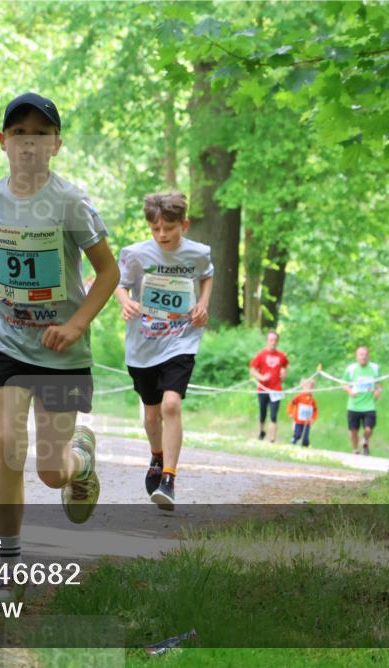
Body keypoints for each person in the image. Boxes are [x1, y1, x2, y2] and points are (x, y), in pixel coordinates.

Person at [0, 92, 118, 604]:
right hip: (7, 340)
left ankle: (81, 460)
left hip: (61, 350)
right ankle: (9, 563)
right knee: (6, 445)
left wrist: (79, 324)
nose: (29, 143)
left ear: (56, 144)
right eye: (19, 133)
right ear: (3, 141)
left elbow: (109, 271)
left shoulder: (71, 203)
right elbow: (1, 254)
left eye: (40, 134)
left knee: (49, 470)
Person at [115, 191, 213, 510]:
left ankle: (168, 478)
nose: (162, 235)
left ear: (184, 224)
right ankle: (157, 456)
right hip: (144, 343)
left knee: (171, 406)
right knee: (152, 412)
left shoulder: (197, 253)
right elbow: (119, 282)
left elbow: (207, 275)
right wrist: (125, 301)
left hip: (181, 339)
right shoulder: (136, 253)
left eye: (169, 229)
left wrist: (202, 305)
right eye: (155, 229)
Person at [342, 346, 381, 456]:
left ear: (368, 355)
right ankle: (355, 450)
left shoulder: (375, 368)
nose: (363, 357)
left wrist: (378, 390)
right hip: (354, 405)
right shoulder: (351, 369)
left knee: (368, 429)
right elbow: (343, 384)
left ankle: (365, 440)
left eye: (365, 354)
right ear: (357, 356)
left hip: (369, 405)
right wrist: (350, 391)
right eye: (361, 354)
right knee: (353, 430)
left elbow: (379, 383)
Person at [250, 331, 289, 442]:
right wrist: (261, 377)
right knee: (263, 413)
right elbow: (252, 370)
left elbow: (285, 367)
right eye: (271, 340)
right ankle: (261, 432)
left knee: (273, 414)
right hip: (263, 389)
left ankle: (272, 438)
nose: (273, 342)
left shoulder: (282, 356)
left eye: (275, 340)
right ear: (267, 341)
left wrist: (284, 374)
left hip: (276, 389)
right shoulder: (261, 355)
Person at [286, 378, 318, 447]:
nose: (308, 389)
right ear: (302, 387)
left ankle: (306, 447)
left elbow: (315, 410)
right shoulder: (299, 397)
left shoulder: (312, 399)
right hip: (298, 421)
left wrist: (313, 418)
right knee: (297, 434)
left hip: (307, 422)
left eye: (310, 387)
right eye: (306, 387)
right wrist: (290, 413)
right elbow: (291, 404)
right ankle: (293, 442)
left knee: (305, 437)